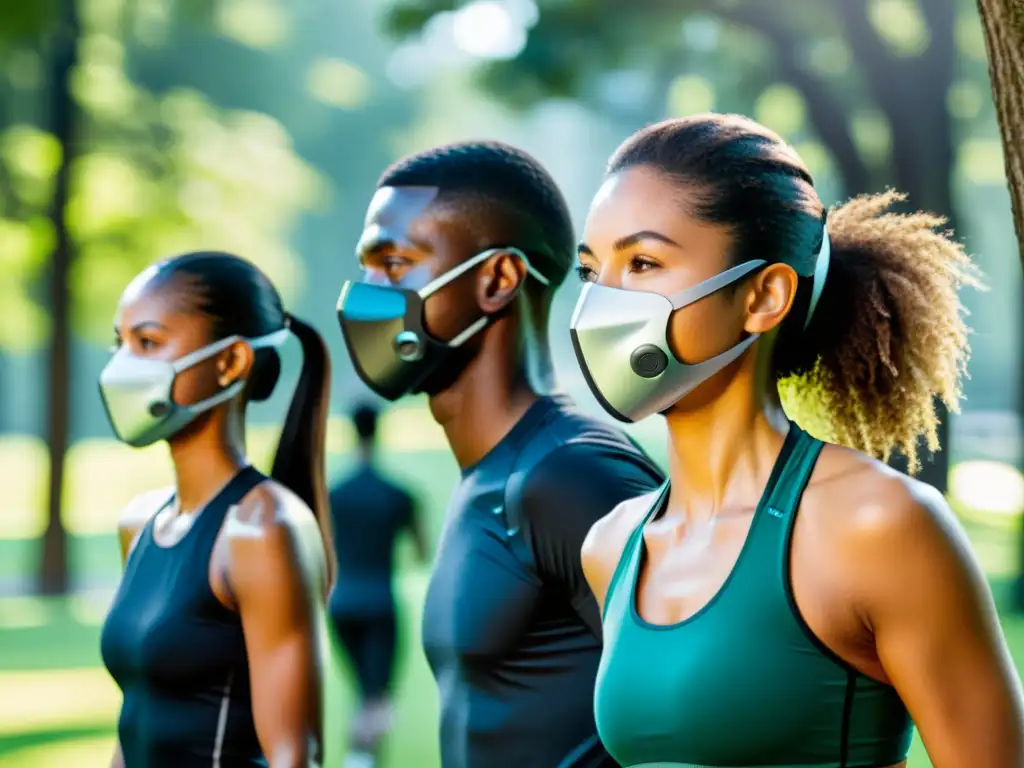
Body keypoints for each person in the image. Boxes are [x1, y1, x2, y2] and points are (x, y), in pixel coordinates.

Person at [571, 113, 1024, 768]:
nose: (600, 306)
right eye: (591, 272)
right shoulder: (611, 546)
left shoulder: (878, 526)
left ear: (763, 296)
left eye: (642, 263)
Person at [335, 141, 665, 768]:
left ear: (497, 280)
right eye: (367, 266)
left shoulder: (573, 475)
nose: (365, 294)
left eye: (396, 262)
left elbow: (697, 723)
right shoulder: (486, 476)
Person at [98, 252, 334, 768]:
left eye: (149, 343)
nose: (122, 367)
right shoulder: (138, 524)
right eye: (122, 343)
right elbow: (136, 719)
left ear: (230, 363)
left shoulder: (264, 529)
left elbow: (296, 754)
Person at [327, 402, 427, 768]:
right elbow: (421, 551)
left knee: (361, 694)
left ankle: (359, 757)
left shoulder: (334, 494)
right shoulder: (398, 495)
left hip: (340, 605)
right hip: (379, 604)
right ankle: (361, 761)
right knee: (377, 698)